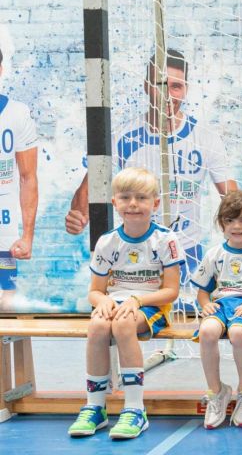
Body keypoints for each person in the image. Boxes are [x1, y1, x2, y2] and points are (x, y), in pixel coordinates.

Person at [65, 49, 237, 284]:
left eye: (176, 87)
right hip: (136, 254)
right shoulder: (124, 137)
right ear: (147, 85)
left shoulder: (205, 138)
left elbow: (233, 200)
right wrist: (78, 215)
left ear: (186, 89)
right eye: (161, 85)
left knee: (188, 317)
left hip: (187, 254)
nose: (168, 96)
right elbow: (86, 195)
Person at [67, 167, 184, 439]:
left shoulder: (165, 239)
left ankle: (134, 410)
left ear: (155, 203)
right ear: (115, 203)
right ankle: (95, 407)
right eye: (126, 197)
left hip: (151, 306)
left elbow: (171, 291)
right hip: (117, 302)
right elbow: (95, 292)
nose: (133, 204)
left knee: (122, 326)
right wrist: (103, 302)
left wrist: (136, 299)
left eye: (142, 198)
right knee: (96, 326)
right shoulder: (108, 242)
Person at [191, 191, 242, 429]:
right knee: (207, 332)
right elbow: (203, 291)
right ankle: (217, 391)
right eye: (230, 220)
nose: (236, 226)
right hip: (222, 305)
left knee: (237, 334)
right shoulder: (215, 254)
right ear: (221, 224)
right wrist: (206, 304)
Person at [0, 47, 39, 310]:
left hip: (4, 228)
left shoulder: (16, 113)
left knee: (6, 300)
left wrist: (27, 236)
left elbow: (28, 177)